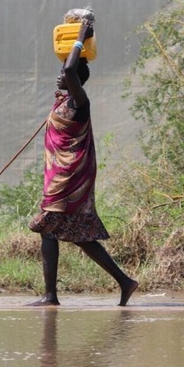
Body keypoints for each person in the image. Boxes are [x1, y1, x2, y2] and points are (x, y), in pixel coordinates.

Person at [28, 19, 138, 307]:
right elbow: (67, 72)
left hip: (70, 177)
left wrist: (79, 36)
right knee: (78, 235)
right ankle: (125, 282)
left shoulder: (80, 102)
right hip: (63, 175)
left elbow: (69, 69)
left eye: (64, 74)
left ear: (75, 79)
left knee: (48, 229)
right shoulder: (64, 103)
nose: (60, 76)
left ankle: (51, 296)